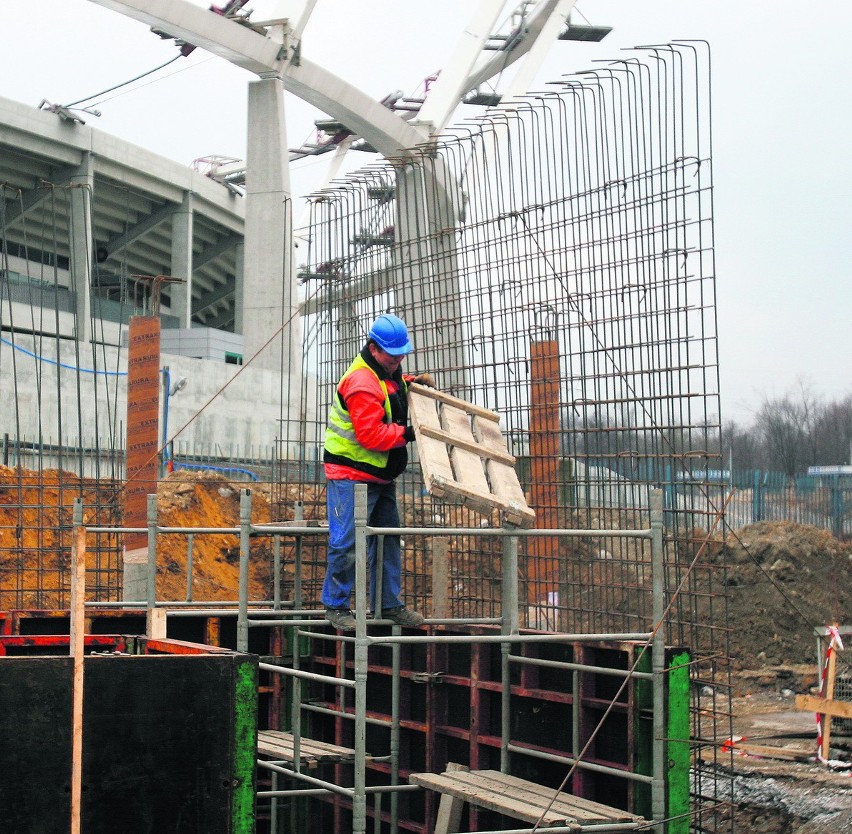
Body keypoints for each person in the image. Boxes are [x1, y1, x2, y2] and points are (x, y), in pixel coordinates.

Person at [321, 314, 436, 631]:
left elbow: (390, 388)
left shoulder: (387, 370)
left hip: (379, 476)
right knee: (346, 542)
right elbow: (371, 436)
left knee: (387, 539)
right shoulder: (361, 383)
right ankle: (335, 606)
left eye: (402, 353)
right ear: (374, 349)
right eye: (393, 354)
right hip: (351, 475)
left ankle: (388, 605)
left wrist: (411, 383)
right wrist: (410, 433)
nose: (398, 359)